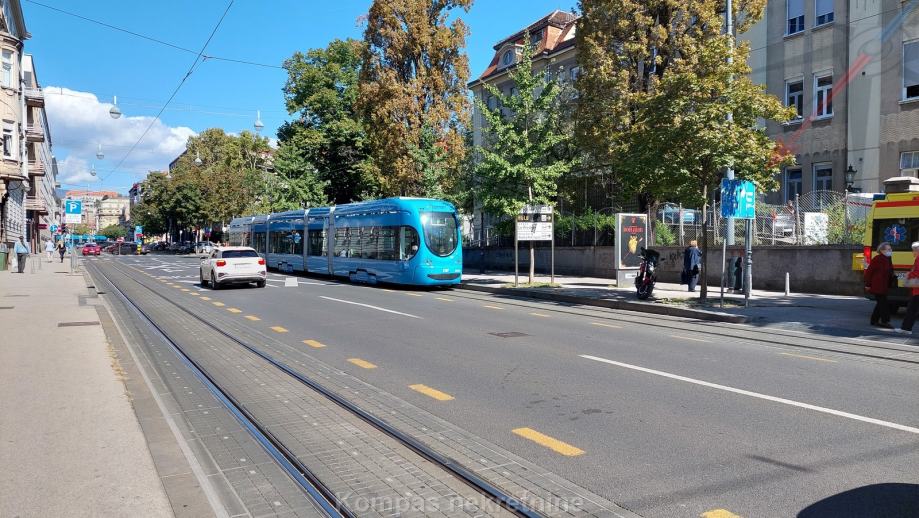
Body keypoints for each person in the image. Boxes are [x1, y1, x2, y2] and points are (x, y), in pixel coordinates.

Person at [864, 241, 895, 328]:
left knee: (880, 303)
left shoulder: (888, 259)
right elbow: (869, 272)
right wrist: (868, 284)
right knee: (884, 304)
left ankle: (874, 320)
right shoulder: (877, 259)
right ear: (882, 250)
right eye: (888, 249)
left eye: (890, 249)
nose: (890, 251)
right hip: (877, 285)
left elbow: (890, 271)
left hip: (884, 285)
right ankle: (885, 321)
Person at [896, 241, 919, 333]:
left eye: (913, 250)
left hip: (917, 290)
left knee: (911, 309)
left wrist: (908, 275)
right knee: (912, 309)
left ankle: (906, 329)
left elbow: (917, 272)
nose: (912, 252)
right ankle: (906, 328)